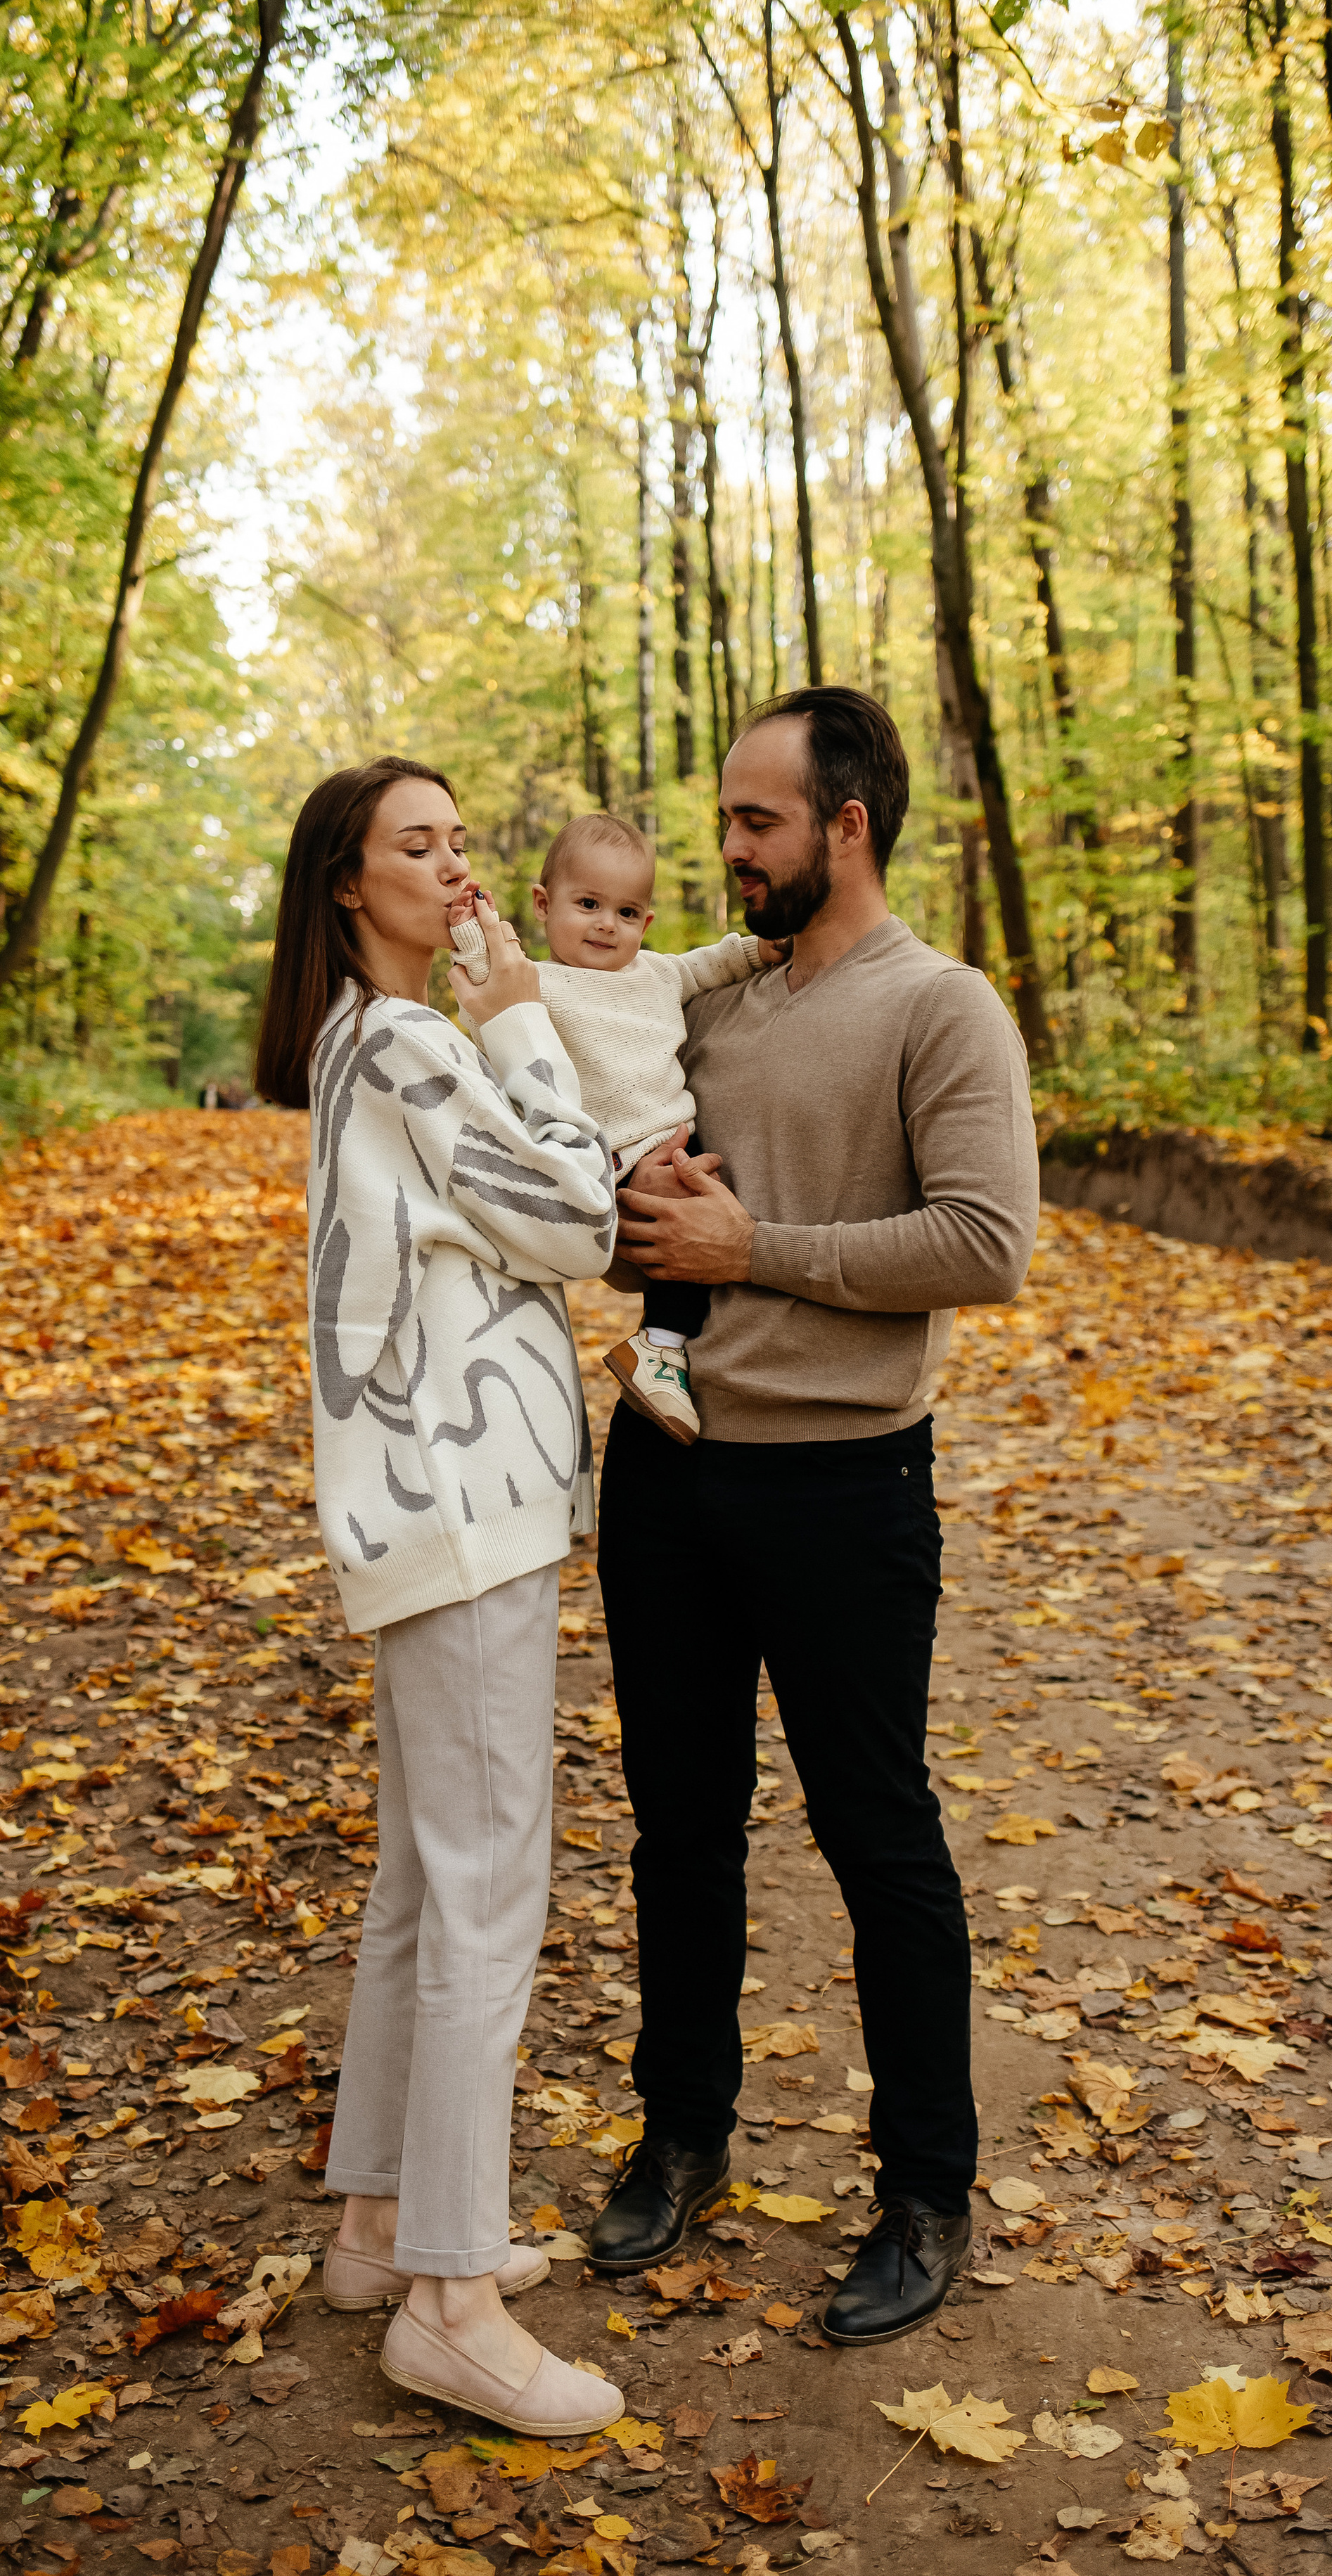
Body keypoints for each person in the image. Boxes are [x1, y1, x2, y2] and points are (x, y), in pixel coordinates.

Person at [584, 688, 1041, 2346]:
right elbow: (647, 1190)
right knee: (675, 1829)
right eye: (722, 820)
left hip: (844, 1481)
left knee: (876, 1836)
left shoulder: (941, 1007)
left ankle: (924, 2191)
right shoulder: (708, 1005)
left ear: (844, 824)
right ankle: (683, 2135)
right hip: (661, 1466)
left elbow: (986, 1245)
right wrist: (640, 1233)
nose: (725, 850)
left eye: (753, 822)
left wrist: (749, 1250)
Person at [252, 755, 625, 2437]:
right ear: (349, 881)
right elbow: (577, 1214)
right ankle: (450, 2304)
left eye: (462, 843)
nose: (458, 871)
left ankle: (381, 2215)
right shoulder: (410, 1041)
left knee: (424, 1876)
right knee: (487, 1888)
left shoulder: (356, 1048)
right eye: (419, 845)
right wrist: (528, 1019)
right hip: (462, 1516)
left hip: (420, 1511)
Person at [454, 811, 785, 1444]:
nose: (608, 924)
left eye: (628, 913)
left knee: (709, 1232)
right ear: (544, 906)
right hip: (607, 1157)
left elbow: (711, 964)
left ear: (646, 924)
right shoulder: (538, 983)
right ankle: (660, 1348)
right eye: (588, 904)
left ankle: (667, 1346)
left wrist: (760, 950)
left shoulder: (657, 973)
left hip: (679, 1140)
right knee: (685, 1231)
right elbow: (485, 983)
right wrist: (472, 931)